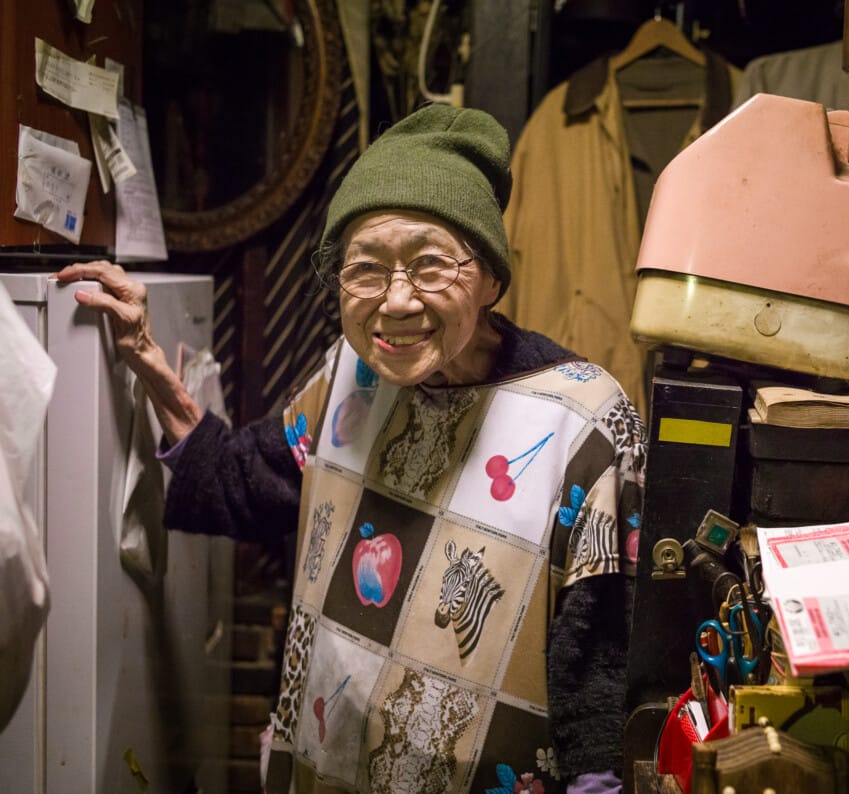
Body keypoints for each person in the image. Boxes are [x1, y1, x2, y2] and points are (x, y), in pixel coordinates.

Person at [55, 104, 644, 794]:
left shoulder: (584, 420)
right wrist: (150, 361)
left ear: (488, 278)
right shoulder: (352, 374)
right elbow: (242, 482)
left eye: (430, 266)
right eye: (367, 269)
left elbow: (602, 677)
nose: (396, 301)